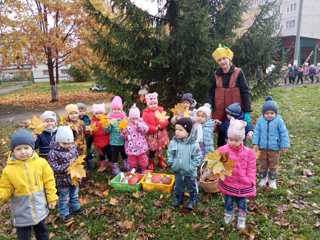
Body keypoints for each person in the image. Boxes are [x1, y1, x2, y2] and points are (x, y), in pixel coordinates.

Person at [0, 129, 57, 240]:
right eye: (18, 149)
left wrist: (52, 198)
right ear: (13, 151)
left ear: (32, 148)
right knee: (23, 236)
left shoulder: (41, 164)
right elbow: (5, 188)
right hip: (21, 210)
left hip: (39, 207)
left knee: (42, 232)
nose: (23, 152)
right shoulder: (9, 170)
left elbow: (49, 181)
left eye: (26, 148)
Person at [208, 44, 252, 147]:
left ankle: (239, 158)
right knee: (222, 136)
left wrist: (247, 111)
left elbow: (245, 91)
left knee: (237, 135)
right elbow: (211, 92)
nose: (222, 62)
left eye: (224, 58)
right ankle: (223, 158)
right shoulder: (216, 75)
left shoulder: (238, 72)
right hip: (220, 111)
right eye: (219, 60)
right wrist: (208, 104)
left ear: (229, 58)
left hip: (235, 111)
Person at [218, 119, 256, 230]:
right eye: (230, 139)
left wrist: (251, 180)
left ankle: (241, 217)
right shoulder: (223, 150)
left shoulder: (249, 153)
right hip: (228, 182)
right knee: (228, 201)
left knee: (242, 203)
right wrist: (218, 171)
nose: (233, 142)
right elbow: (220, 164)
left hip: (243, 183)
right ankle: (229, 214)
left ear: (242, 139)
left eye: (236, 140)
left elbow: (252, 168)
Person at [252, 96, 290, 189]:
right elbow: (256, 132)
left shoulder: (279, 121)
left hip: (274, 148)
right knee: (263, 163)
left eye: (272, 113)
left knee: (273, 164)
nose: (269, 115)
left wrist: (284, 145)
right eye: (267, 113)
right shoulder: (260, 121)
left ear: (275, 113)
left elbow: (283, 133)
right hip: (262, 147)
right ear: (263, 113)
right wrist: (255, 143)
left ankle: (272, 180)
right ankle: (263, 178)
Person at [48, 126, 82, 222]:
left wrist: (77, 166)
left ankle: (75, 207)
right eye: (64, 143)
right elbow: (53, 167)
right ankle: (64, 213)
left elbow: (77, 158)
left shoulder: (73, 148)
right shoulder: (53, 152)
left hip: (74, 177)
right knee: (64, 197)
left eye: (70, 143)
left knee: (74, 194)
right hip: (62, 180)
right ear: (58, 141)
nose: (68, 145)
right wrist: (67, 166)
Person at [167, 118, 202, 210]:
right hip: (178, 169)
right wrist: (171, 162)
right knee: (178, 186)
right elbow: (170, 153)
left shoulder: (194, 144)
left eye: (180, 130)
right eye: (176, 130)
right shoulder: (173, 142)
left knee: (191, 186)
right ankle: (178, 198)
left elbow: (198, 157)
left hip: (189, 171)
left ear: (188, 131)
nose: (177, 132)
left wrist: (193, 166)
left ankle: (192, 199)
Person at [142, 92, 169, 170]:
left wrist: (161, 125)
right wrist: (154, 128)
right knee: (152, 149)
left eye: (155, 103)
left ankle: (160, 160)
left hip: (161, 134)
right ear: (147, 104)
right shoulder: (145, 113)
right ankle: (151, 162)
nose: (153, 105)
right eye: (151, 104)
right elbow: (145, 124)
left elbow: (165, 120)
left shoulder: (160, 110)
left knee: (160, 148)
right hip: (151, 135)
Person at [122, 104, 149, 172]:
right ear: (130, 117)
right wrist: (124, 134)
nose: (134, 120)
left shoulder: (141, 122)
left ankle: (143, 168)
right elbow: (122, 134)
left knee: (143, 158)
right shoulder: (126, 124)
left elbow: (146, 129)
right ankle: (133, 168)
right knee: (131, 159)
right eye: (132, 118)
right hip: (131, 146)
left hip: (141, 146)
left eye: (136, 118)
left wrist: (139, 125)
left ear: (138, 117)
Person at [107, 96, 128, 175]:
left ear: (121, 109)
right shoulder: (109, 118)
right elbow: (108, 131)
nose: (116, 111)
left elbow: (127, 127)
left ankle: (126, 164)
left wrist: (124, 131)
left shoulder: (124, 117)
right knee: (114, 155)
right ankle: (115, 167)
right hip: (114, 141)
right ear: (112, 109)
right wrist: (108, 126)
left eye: (118, 109)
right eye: (114, 109)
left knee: (124, 153)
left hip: (122, 140)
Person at [91, 103, 112, 172]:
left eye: (101, 113)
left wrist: (106, 126)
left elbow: (108, 130)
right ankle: (102, 164)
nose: (99, 115)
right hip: (98, 142)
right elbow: (92, 131)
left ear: (104, 113)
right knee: (101, 154)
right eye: (97, 113)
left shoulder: (106, 120)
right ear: (94, 114)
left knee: (109, 153)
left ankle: (110, 163)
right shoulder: (93, 121)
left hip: (106, 141)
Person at [77, 103, 94, 170]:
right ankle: (81, 164)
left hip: (87, 137)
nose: (81, 113)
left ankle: (89, 163)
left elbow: (89, 126)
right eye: (79, 111)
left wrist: (88, 128)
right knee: (81, 151)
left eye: (82, 111)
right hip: (80, 138)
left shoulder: (86, 118)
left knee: (88, 150)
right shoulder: (76, 119)